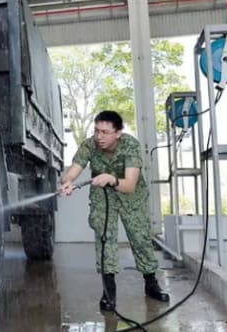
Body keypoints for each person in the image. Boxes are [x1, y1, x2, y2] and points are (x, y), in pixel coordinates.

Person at [60, 110, 170, 312]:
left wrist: (111, 179)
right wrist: (67, 183)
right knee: (104, 236)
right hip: (103, 194)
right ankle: (108, 290)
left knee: (140, 237)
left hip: (130, 193)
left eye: (105, 132)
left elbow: (129, 185)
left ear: (118, 133)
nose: (99, 136)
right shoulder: (89, 145)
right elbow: (73, 171)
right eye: (96, 131)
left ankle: (151, 283)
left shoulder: (130, 145)